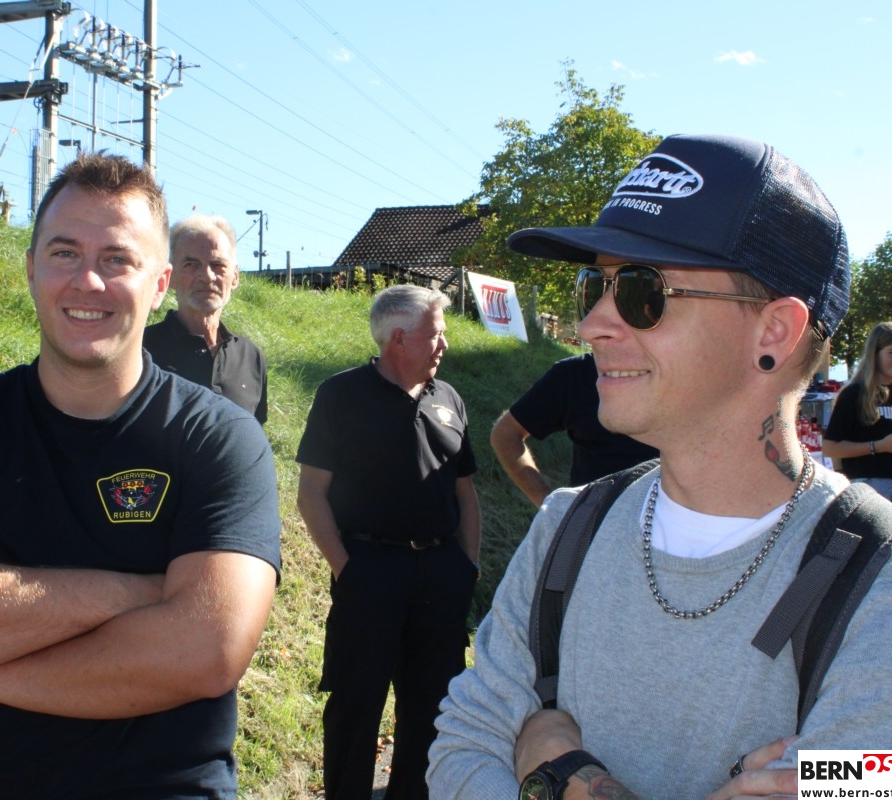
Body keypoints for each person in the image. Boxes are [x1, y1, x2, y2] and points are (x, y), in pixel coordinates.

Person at [428, 134, 892, 799]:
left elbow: (890, 779)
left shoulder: (889, 585)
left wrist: (557, 765)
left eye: (641, 292)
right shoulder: (567, 527)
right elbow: (462, 744)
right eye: (593, 287)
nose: (593, 325)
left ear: (774, 330)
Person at [0, 154, 281, 799]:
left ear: (159, 283)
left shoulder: (220, 439)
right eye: (63, 253)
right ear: (30, 268)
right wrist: (139, 596)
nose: (88, 281)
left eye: (117, 259)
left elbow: (208, 648)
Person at [296, 285, 481, 800]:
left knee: (432, 711)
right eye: (435, 333)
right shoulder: (340, 395)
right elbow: (311, 494)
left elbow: (465, 493)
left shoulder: (449, 398)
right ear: (399, 338)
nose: (444, 343)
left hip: (440, 576)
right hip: (369, 572)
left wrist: (466, 566)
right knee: (355, 708)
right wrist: (348, 569)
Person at [143, 214, 268, 424]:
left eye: (218, 264)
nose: (207, 276)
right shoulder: (141, 349)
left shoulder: (251, 357)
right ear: (170, 276)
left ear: (235, 276)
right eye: (191, 264)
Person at [491, 351, 658, 507]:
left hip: (666, 520)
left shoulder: (670, 376)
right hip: (591, 523)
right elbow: (506, 433)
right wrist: (549, 505)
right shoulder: (576, 374)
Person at [822, 321, 892, 515]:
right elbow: (830, 448)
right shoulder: (854, 393)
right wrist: (879, 446)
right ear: (875, 353)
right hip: (865, 487)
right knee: (858, 537)